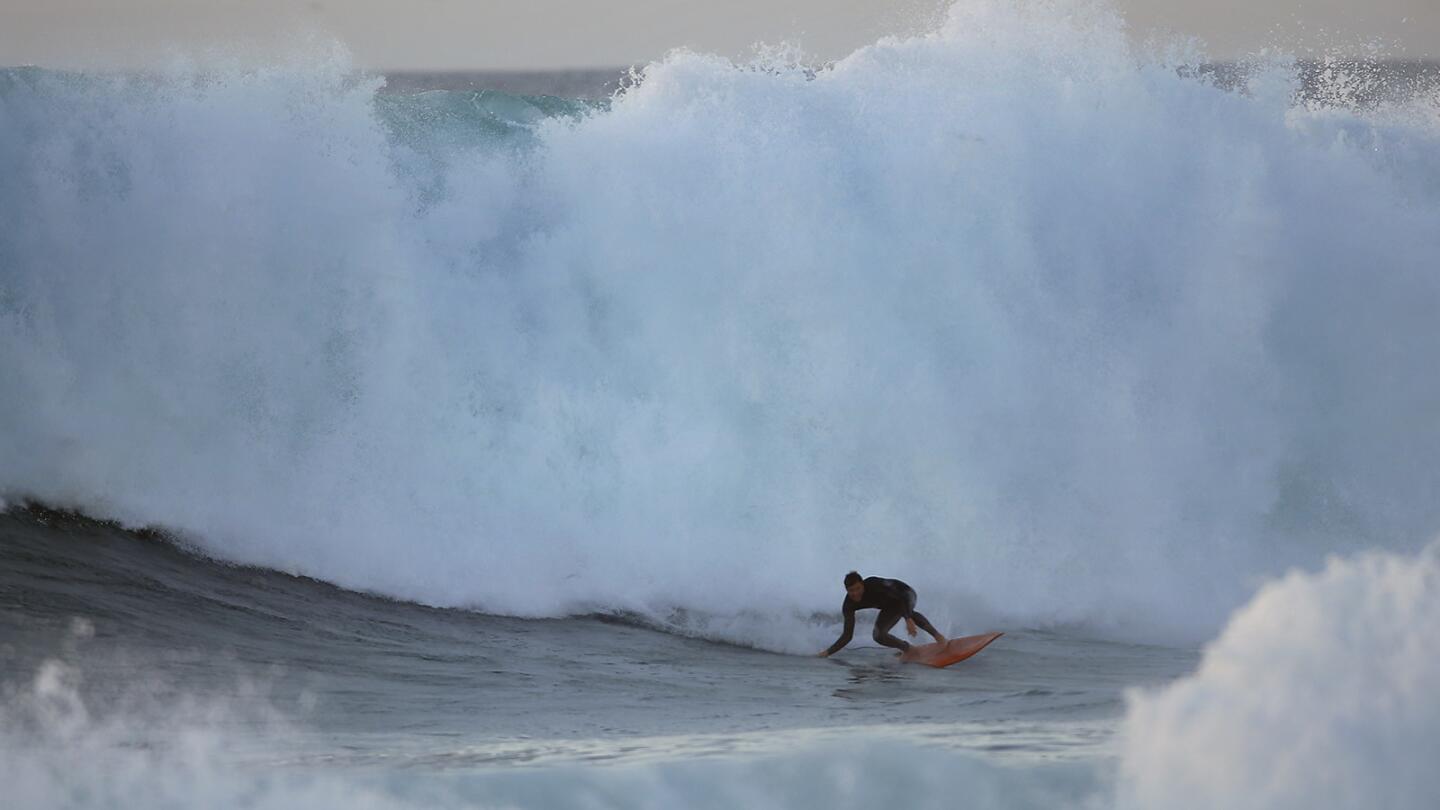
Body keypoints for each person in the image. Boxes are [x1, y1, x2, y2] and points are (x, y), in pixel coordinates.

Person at [818, 571, 946, 657]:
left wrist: (907, 619)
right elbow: (847, 636)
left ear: (862, 585)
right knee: (878, 635)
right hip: (889, 606)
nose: (855, 593)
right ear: (846, 590)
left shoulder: (874, 584)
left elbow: (900, 597)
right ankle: (909, 650)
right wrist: (827, 653)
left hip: (905, 594)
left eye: (858, 589)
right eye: (851, 591)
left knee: (909, 613)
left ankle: (939, 638)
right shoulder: (848, 605)